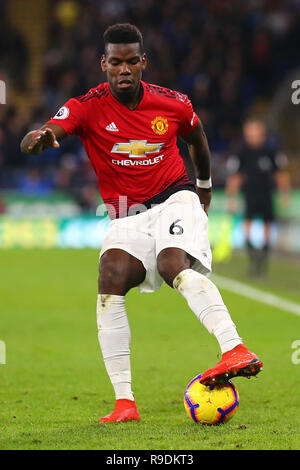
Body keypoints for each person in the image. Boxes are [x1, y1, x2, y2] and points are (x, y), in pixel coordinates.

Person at [21, 24, 263, 423]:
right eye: (115, 62)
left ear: (143, 62)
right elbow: (52, 128)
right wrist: (42, 136)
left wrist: (204, 187)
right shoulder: (86, 106)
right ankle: (124, 402)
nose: (124, 70)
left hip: (174, 197)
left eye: (132, 61)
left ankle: (234, 347)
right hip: (125, 214)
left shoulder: (172, 104)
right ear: (104, 64)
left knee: (172, 265)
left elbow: (197, 138)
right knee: (111, 273)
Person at [226, 118, 290, 276]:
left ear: (262, 134)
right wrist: (231, 198)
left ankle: (264, 259)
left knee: (268, 225)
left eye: (254, 133)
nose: (251, 136)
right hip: (249, 194)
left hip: (267, 194)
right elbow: (235, 176)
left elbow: (281, 174)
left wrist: (284, 194)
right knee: (247, 223)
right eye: (249, 133)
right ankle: (252, 257)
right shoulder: (241, 152)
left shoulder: (272, 152)